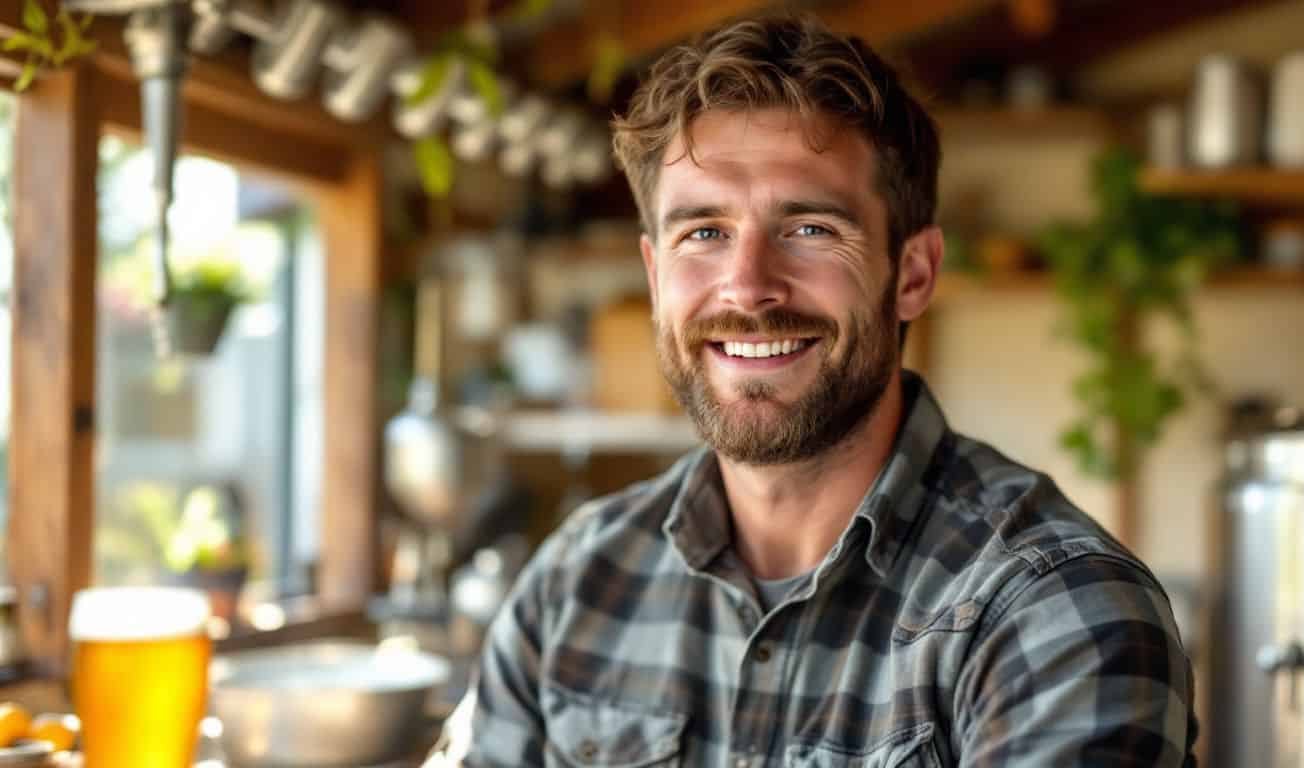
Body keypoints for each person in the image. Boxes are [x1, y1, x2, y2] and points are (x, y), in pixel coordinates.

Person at [429, 13, 1196, 767]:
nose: (748, 287)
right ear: (655, 273)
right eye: (703, 232)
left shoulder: (1056, 610)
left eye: (811, 230)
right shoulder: (576, 583)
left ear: (914, 273)